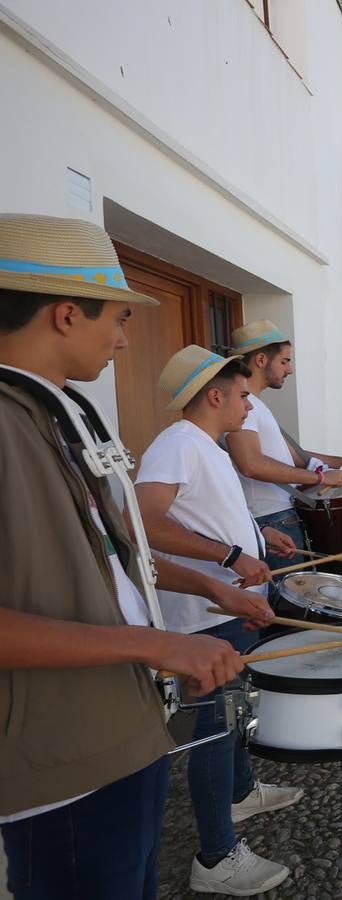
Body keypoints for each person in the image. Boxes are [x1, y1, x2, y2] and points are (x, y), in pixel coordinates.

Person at [0, 214, 246, 898]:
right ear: (65, 314)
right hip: (64, 759)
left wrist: (208, 585)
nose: (123, 337)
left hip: (122, 734)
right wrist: (152, 643)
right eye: (117, 317)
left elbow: (110, 555)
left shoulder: (51, 415)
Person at [136, 345, 304, 895]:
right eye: (242, 396)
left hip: (226, 607)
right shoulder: (179, 444)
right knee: (211, 727)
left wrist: (258, 538)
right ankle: (216, 858)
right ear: (214, 395)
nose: (249, 408)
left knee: (233, 712)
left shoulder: (204, 447)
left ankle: (239, 792)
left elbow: (203, 517)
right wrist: (230, 559)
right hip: (200, 616)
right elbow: (144, 523)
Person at [223, 320, 342, 572]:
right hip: (270, 519)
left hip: (280, 516)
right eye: (284, 361)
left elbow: (296, 456)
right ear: (261, 360)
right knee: (290, 603)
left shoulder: (255, 405)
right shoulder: (245, 406)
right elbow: (250, 464)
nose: (290, 369)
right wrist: (319, 477)